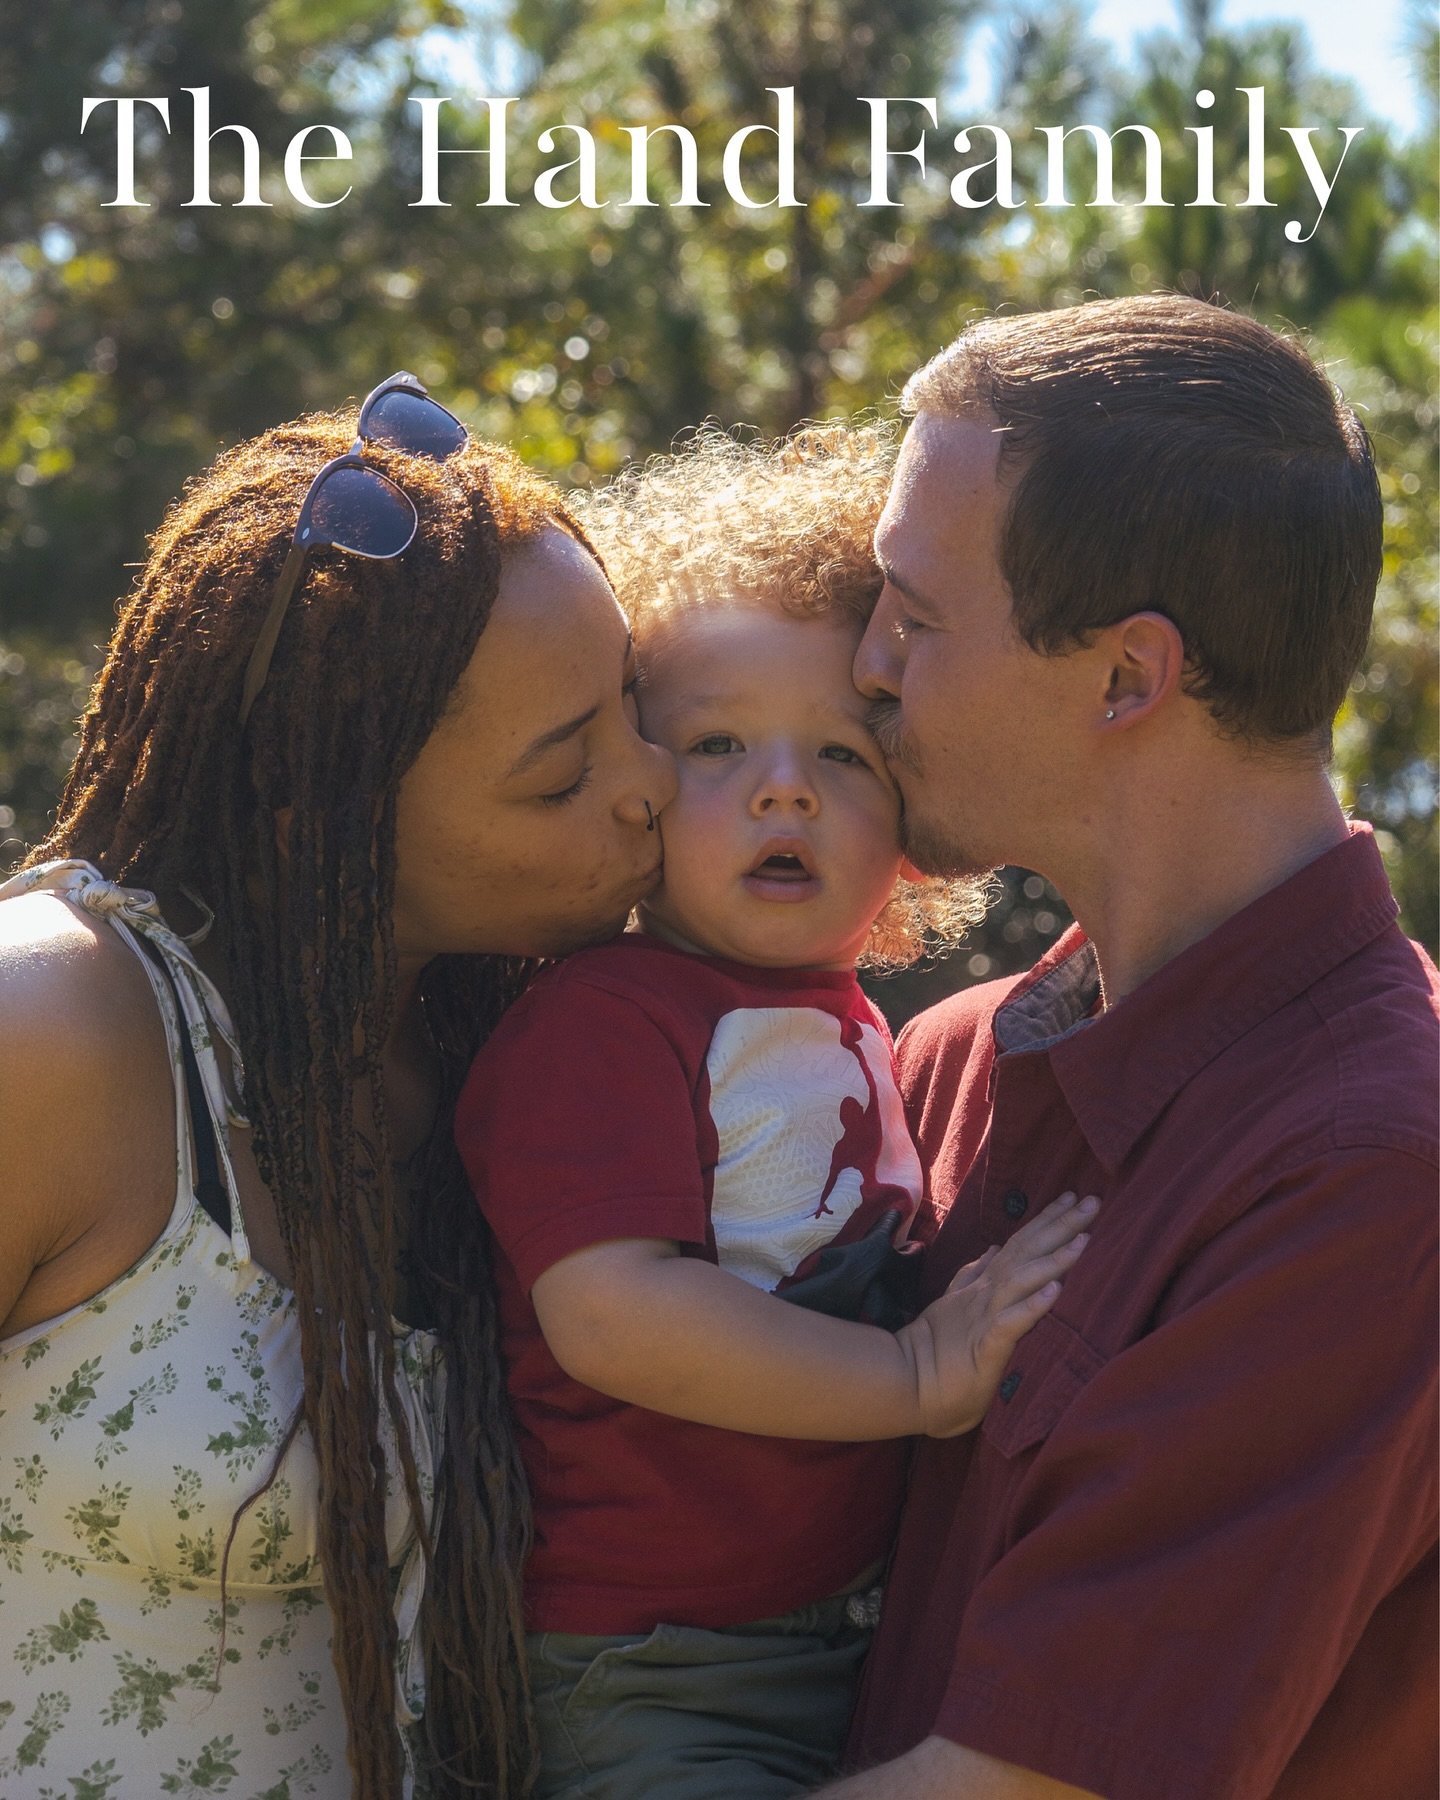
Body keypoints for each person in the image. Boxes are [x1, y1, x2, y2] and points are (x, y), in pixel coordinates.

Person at [0, 375, 676, 1799]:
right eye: (561, 778)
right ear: (323, 814)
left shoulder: (519, 1050)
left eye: (633, 701)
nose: (652, 784)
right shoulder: (54, 1028)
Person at [816, 295, 1439, 1799]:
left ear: (1124, 678)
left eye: (915, 615)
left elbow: (1020, 1786)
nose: (867, 664)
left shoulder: (1372, 1172)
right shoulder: (944, 1062)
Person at [456, 426, 1096, 1800]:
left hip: (848, 1634)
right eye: (717, 743)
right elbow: (613, 1311)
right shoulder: (603, 1022)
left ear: (912, 819)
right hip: (654, 1661)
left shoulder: (862, 1028)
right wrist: (914, 1376)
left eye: (845, 755)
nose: (784, 785)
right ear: (631, 784)